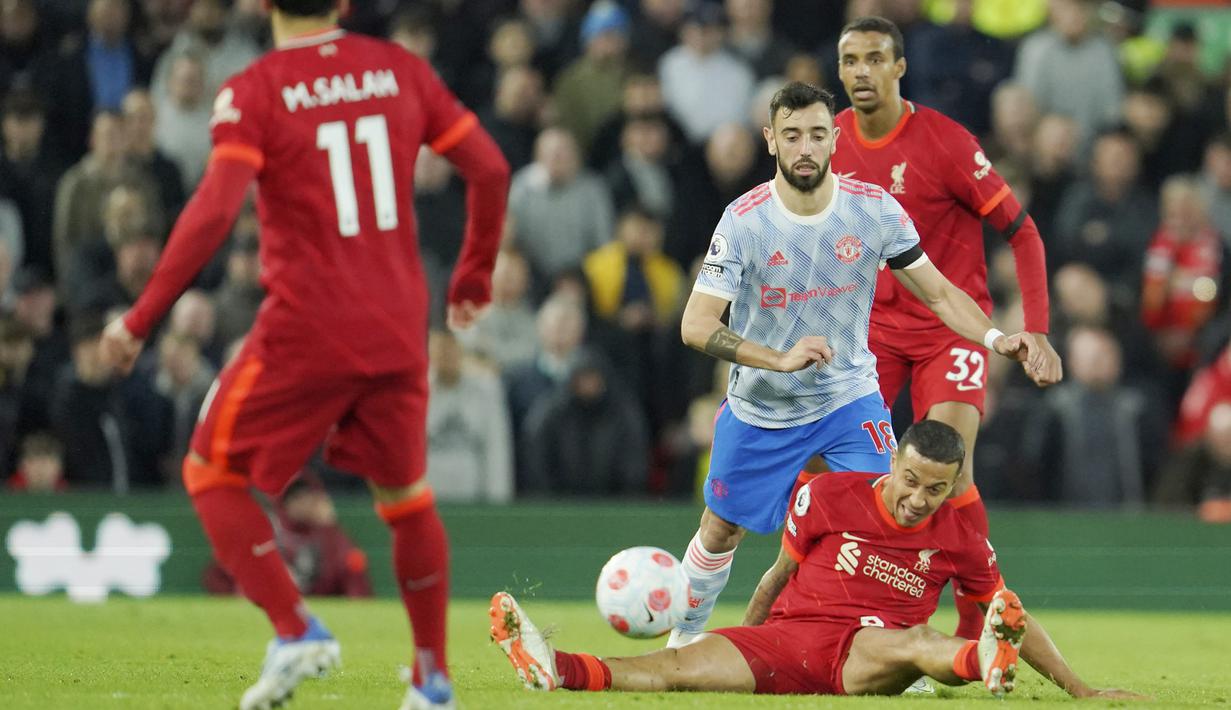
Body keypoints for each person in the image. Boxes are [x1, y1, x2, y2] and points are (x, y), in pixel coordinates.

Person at [96, 1, 511, 708]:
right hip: (396, 326)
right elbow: (491, 168)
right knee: (406, 500)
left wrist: (139, 318)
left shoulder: (254, 90)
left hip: (308, 325)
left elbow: (216, 209)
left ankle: (295, 629)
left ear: (263, 3)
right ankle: (432, 681)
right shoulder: (400, 70)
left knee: (208, 469)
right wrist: (472, 276)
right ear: (343, 3)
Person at [668, 81, 1045, 648]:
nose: (805, 148)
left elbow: (941, 295)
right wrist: (777, 359)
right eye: (791, 135)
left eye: (817, 134)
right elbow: (694, 325)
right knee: (721, 530)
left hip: (849, 397)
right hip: (762, 405)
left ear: (834, 139)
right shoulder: (743, 221)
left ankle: (889, 650)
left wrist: (997, 338)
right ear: (770, 140)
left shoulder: (873, 211)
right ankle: (684, 642)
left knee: (885, 520)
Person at [491, 421, 1141, 701]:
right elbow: (776, 577)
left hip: (863, 654)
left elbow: (1011, 617)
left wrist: (1079, 689)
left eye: (934, 488)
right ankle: (557, 669)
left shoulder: (960, 535)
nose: (918, 498)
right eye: (910, 479)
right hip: (787, 638)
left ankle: (979, 662)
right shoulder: (824, 493)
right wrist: (744, 636)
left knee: (917, 640)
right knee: (674, 666)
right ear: (894, 460)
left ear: (950, 486)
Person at [829, 16, 1062, 641]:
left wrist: (1034, 328)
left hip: (950, 328)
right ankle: (843, 613)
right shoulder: (828, 144)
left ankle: (973, 626)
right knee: (848, 473)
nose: (861, 72)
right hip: (869, 331)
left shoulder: (946, 142)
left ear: (900, 67)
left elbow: (1024, 232)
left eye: (875, 58)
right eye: (850, 60)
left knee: (948, 473)